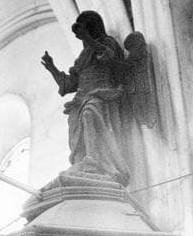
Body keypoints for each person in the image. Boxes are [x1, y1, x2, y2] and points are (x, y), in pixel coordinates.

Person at [41, 11, 130, 186]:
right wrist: (52, 67)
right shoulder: (83, 56)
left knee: (90, 112)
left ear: (93, 28)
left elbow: (110, 58)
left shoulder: (107, 43)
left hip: (102, 93)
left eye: (85, 29)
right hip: (81, 98)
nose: (81, 36)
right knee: (77, 120)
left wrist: (87, 38)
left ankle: (93, 160)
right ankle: (84, 160)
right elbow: (68, 84)